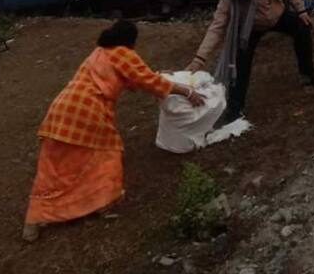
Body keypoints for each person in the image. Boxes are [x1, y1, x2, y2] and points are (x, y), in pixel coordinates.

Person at [22, 20, 204, 242]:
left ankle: (33, 221)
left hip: (61, 110)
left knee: (53, 167)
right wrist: (184, 90)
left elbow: (134, 77)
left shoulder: (99, 52)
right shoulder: (124, 53)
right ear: (130, 40)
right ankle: (103, 203)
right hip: (89, 111)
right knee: (107, 155)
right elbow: (147, 81)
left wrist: (159, 74)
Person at [186, 0, 314, 122]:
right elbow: (217, 27)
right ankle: (235, 108)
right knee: (240, 62)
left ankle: (309, 74)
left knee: (302, 28)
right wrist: (199, 59)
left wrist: (301, 10)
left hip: (276, 16)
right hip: (248, 29)